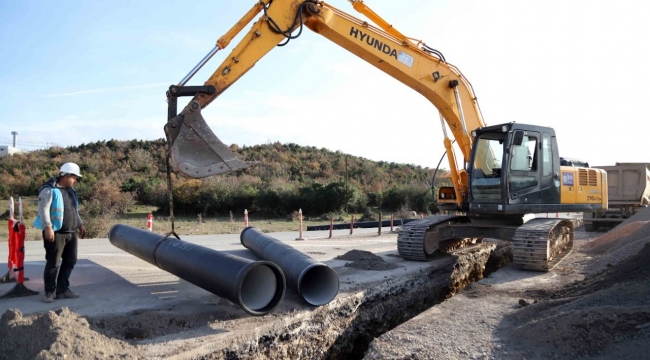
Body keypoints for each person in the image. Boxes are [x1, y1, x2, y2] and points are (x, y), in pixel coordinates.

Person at [33, 162, 86, 303]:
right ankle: (49, 292)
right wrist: (48, 227)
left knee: (70, 261)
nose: (75, 181)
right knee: (53, 263)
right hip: (56, 233)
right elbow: (43, 209)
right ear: (66, 175)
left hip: (71, 232)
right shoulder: (49, 189)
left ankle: (63, 290)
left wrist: (80, 224)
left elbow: (74, 210)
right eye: (74, 177)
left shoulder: (71, 191)